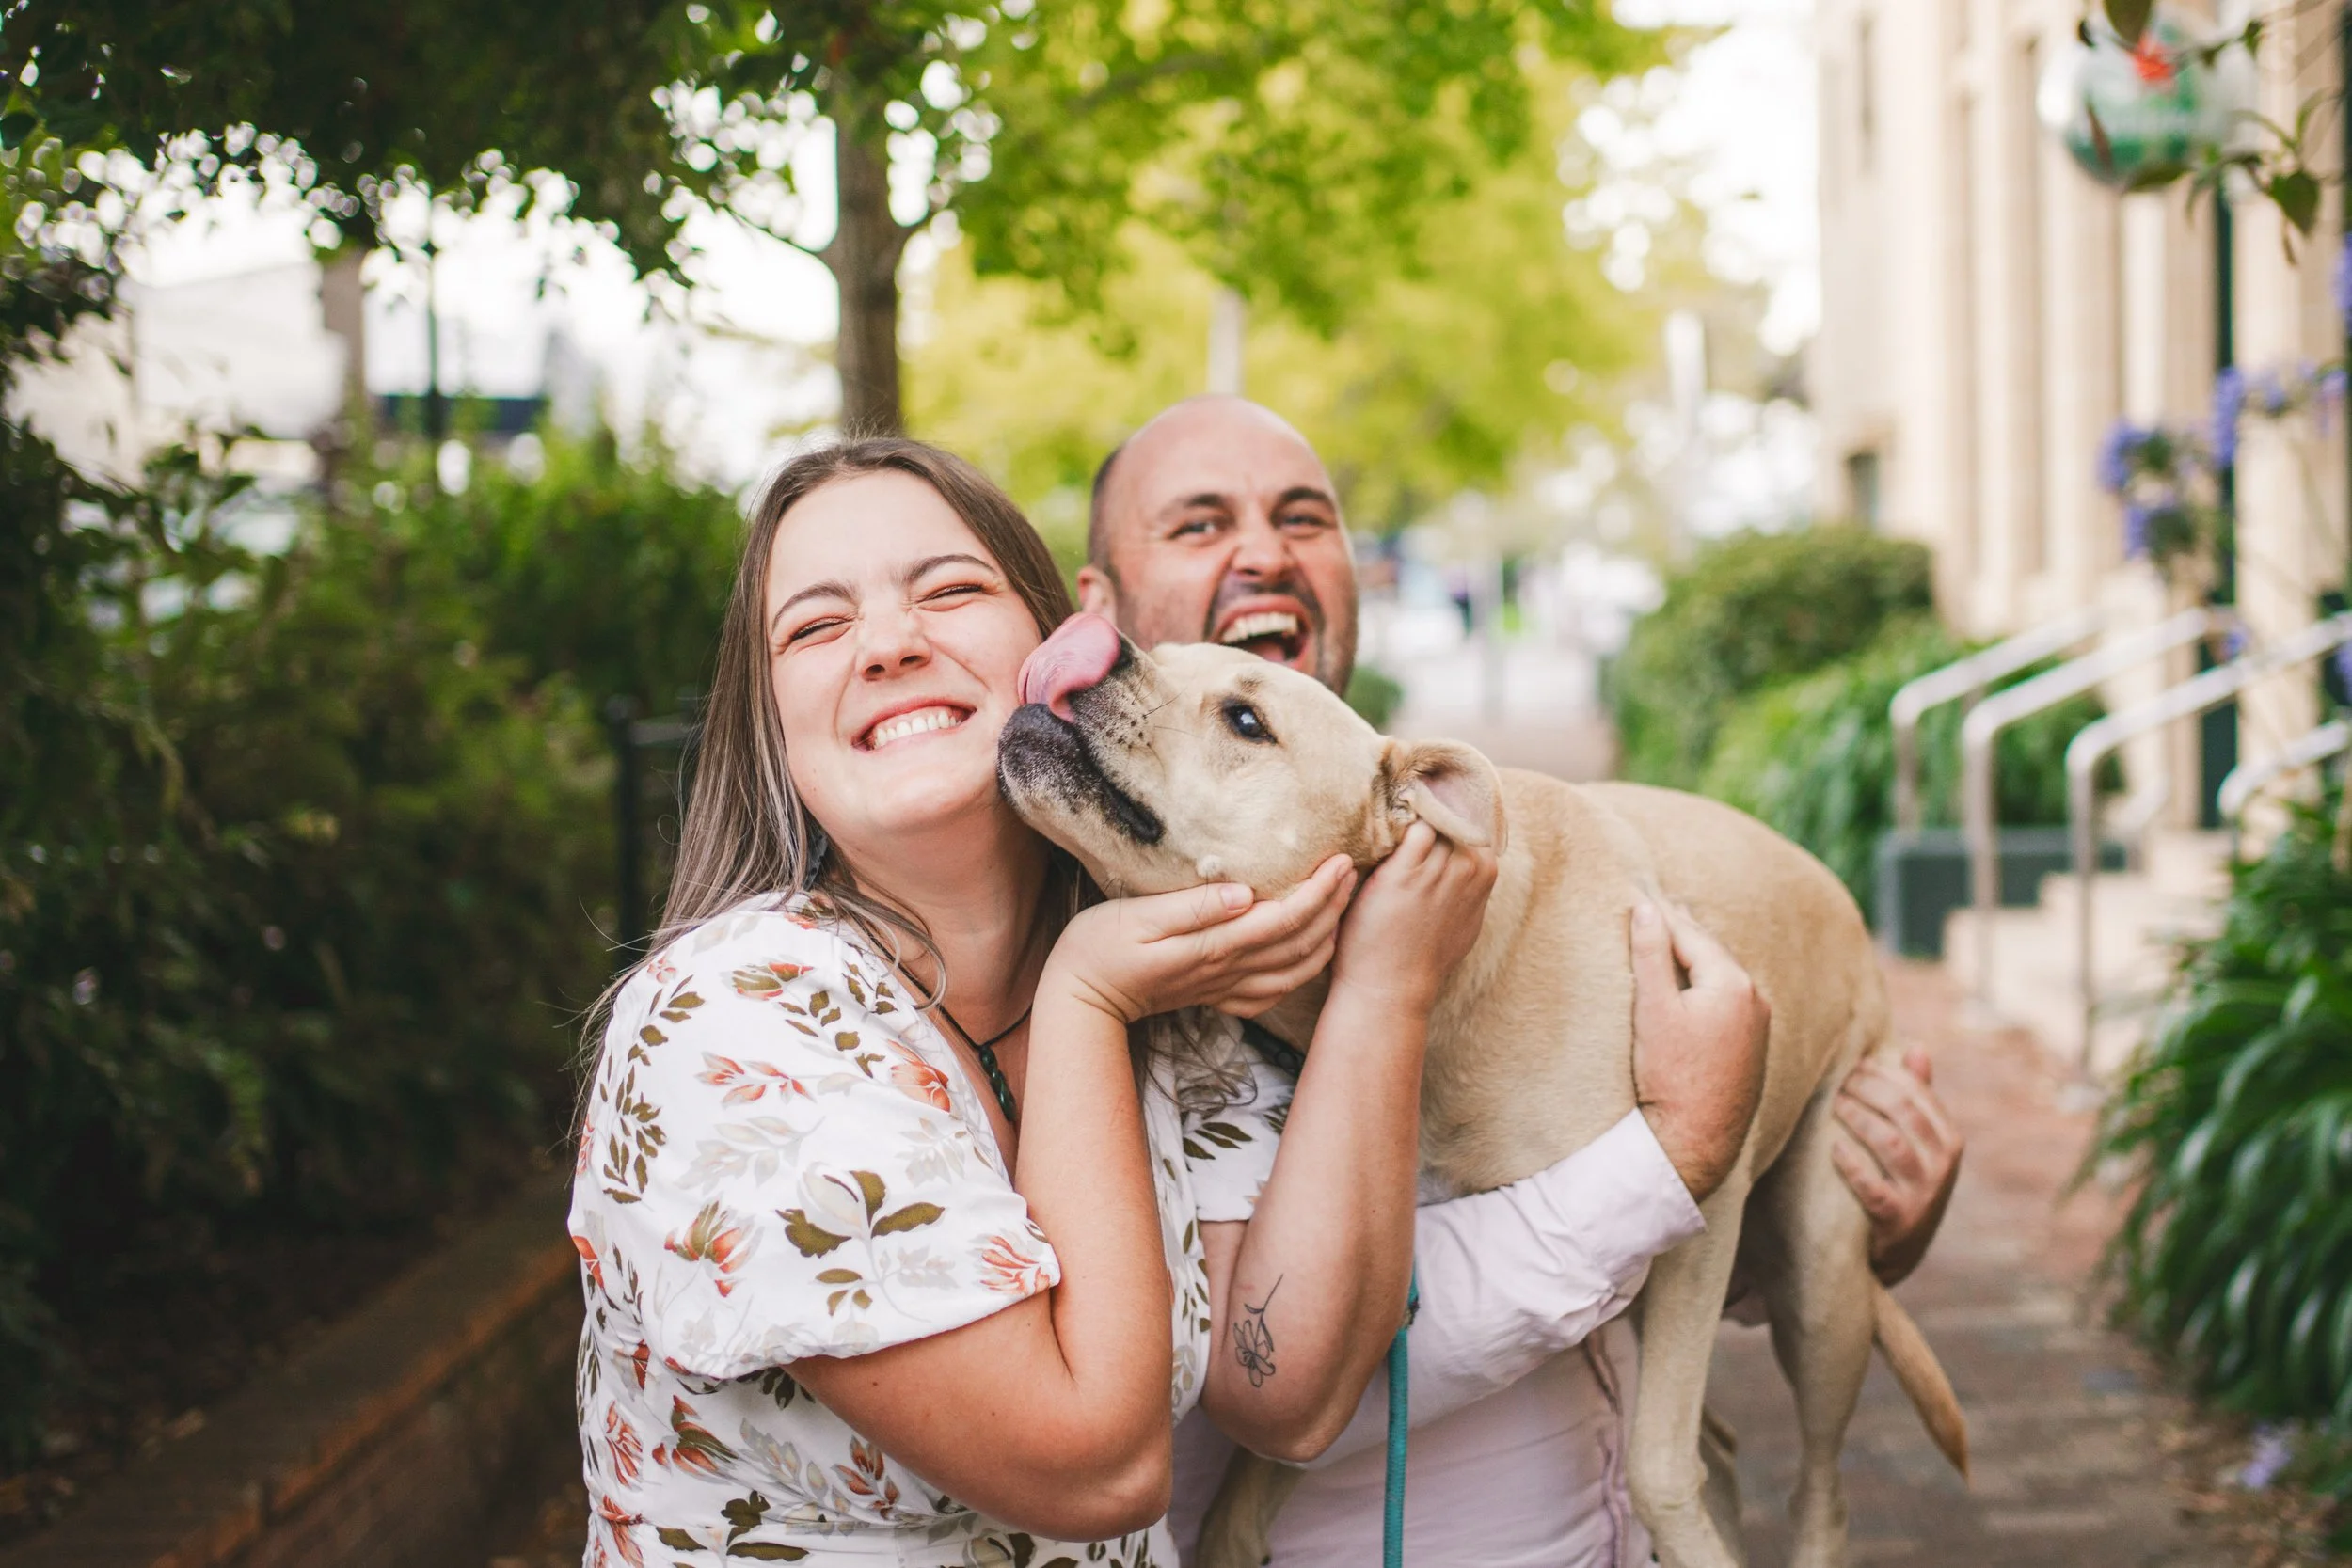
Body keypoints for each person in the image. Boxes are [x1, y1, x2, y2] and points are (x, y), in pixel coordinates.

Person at [566, 436, 1528, 1566]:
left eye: (951, 589)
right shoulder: (729, 1023)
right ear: (770, 724)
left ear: (1051, 643)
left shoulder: (1160, 984)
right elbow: (1100, 1465)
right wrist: (1086, 1000)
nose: (888, 643)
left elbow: (1289, 1396)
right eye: (816, 626)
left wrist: (1384, 991)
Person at [1077, 395, 1966, 1567]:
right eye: (1198, 524)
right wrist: (1670, 1156)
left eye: (1306, 517)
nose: (1264, 551)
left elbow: (1694, 1224)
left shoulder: (1463, 860)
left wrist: (1860, 1224)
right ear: (1097, 606)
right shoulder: (1086, 946)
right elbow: (1282, 1369)